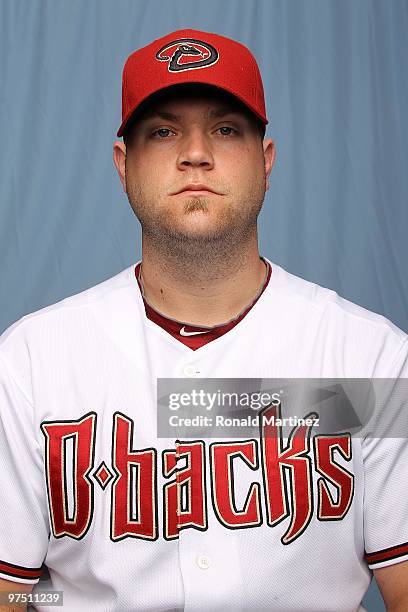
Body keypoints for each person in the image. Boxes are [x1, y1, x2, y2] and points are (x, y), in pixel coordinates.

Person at [0, 28, 407, 612]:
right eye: (163, 131)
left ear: (266, 160)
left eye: (226, 129)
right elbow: (11, 596)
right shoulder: (29, 364)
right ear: (123, 164)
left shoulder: (373, 360)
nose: (196, 153)